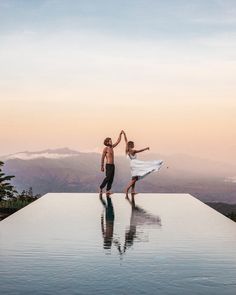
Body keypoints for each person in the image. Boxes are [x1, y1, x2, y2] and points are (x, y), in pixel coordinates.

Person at [123, 132, 163, 196]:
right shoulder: (133, 151)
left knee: (134, 178)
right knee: (135, 178)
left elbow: (126, 141)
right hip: (135, 164)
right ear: (131, 145)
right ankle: (127, 189)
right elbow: (140, 150)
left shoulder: (127, 150)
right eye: (133, 144)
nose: (134, 145)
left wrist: (124, 135)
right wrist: (146, 148)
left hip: (132, 164)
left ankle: (132, 191)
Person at [99, 131, 123, 195]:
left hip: (112, 165)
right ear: (107, 142)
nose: (111, 142)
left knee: (111, 179)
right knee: (108, 177)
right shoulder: (105, 149)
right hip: (108, 165)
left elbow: (118, 141)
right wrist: (102, 166)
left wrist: (120, 134)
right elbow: (102, 158)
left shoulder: (112, 147)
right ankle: (101, 187)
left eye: (111, 141)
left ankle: (108, 191)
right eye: (110, 141)